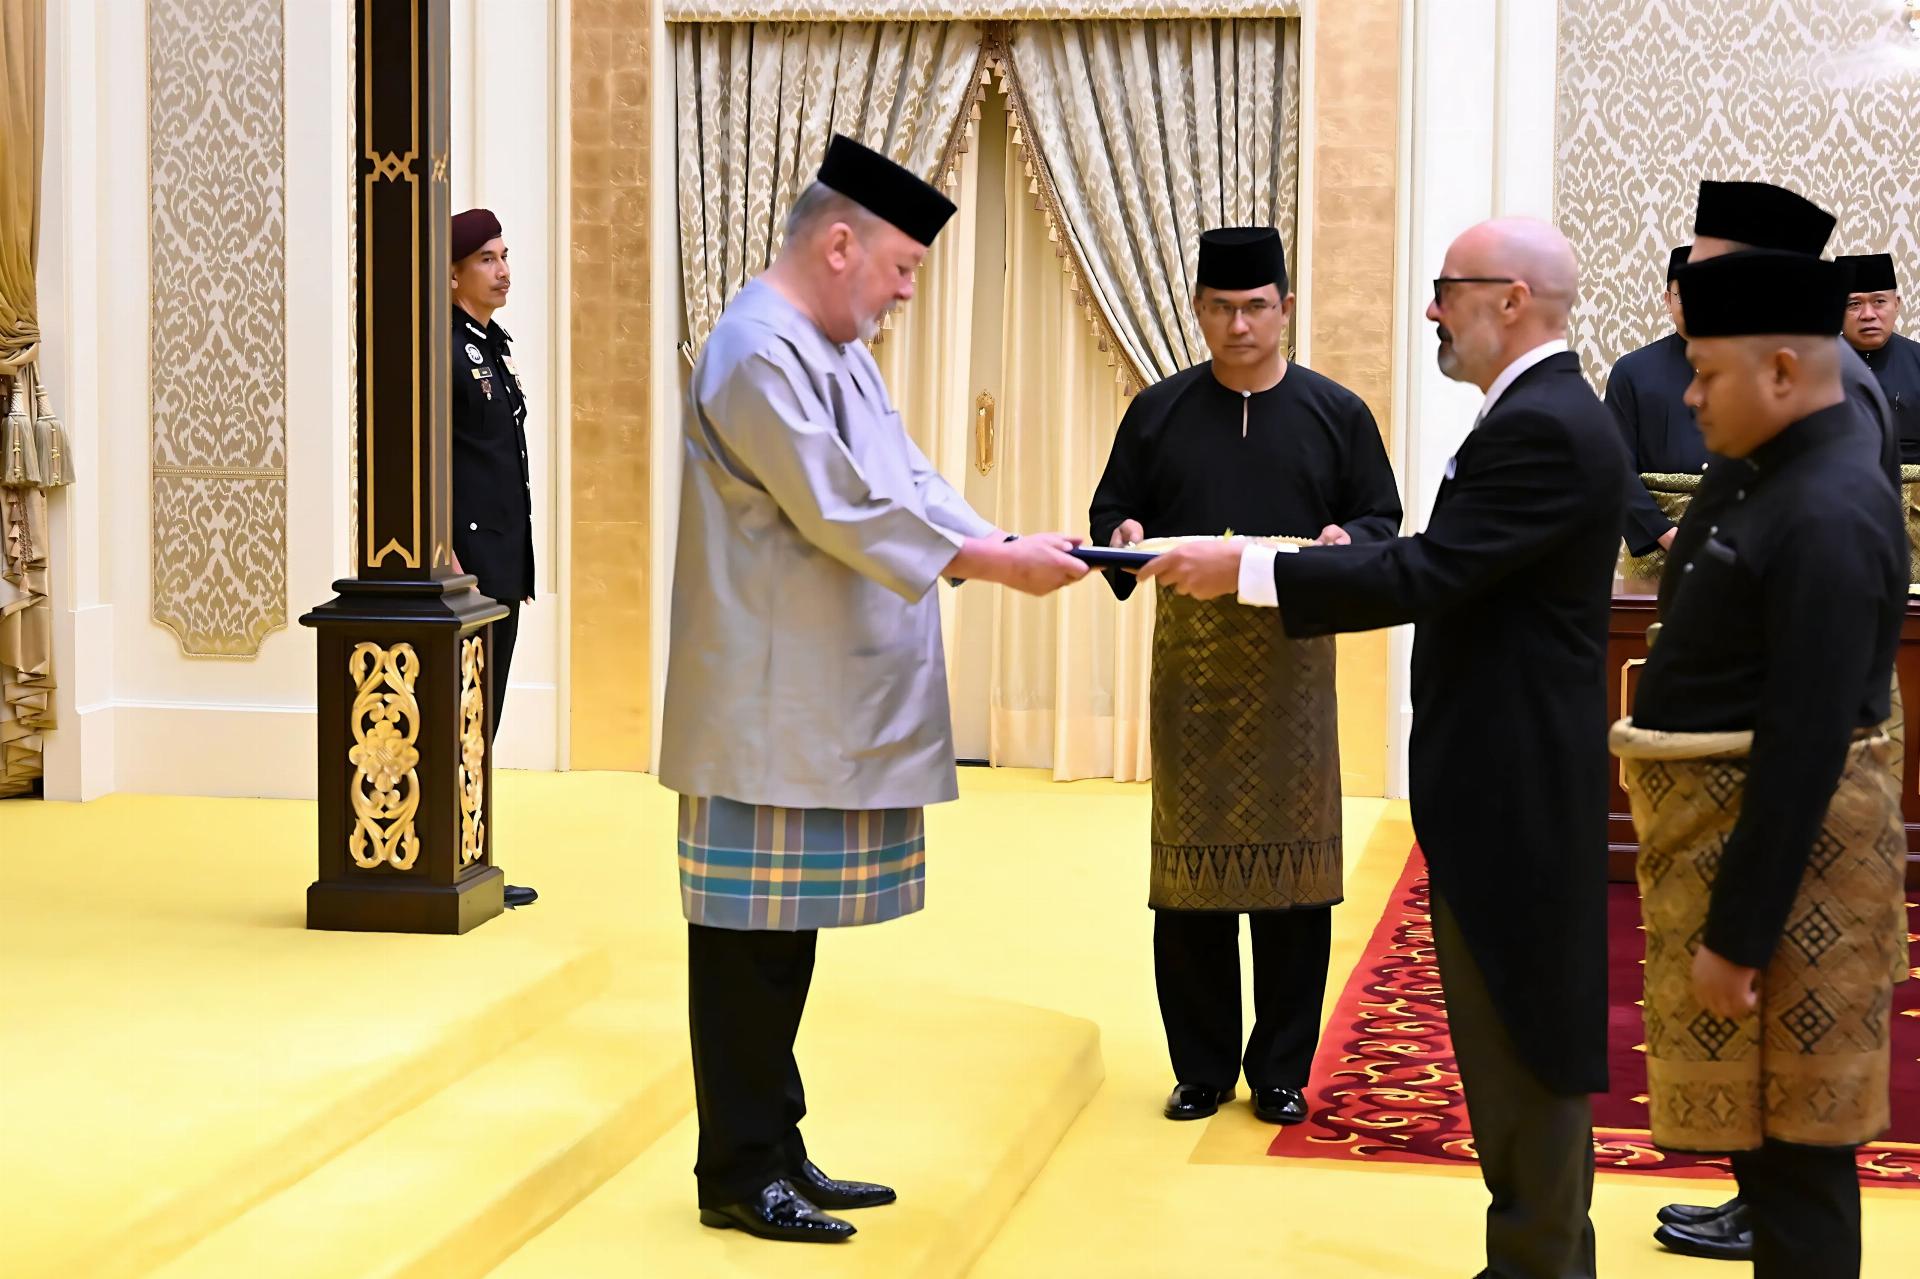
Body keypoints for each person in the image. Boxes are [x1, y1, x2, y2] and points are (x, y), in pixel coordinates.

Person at [1141, 217, 1627, 1279]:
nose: (1430, 311)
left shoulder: (1542, 424)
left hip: (1513, 785)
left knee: (1523, 1048)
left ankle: (1542, 1264)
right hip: (1497, 778)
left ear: (1508, 299)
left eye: (1445, 289)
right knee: (1505, 1050)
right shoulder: (1529, 414)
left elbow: (1423, 570)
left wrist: (1251, 571)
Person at [657, 134, 1089, 1245]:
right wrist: (993, 565)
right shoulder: (758, 350)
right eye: (901, 267)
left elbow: (901, 474)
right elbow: (839, 505)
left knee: (781, 929)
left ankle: (778, 1142)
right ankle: (738, 1169)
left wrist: (994, 534)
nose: (904, 291)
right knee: (744, 937)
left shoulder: (829, 342)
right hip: (765, 697)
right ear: (839, 243)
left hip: (807, 695)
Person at [1613, 248, 1907, 1279]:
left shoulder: (1828, 504)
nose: (1685, 396)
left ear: (1782, 370)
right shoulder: (1784, 466)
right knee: (1779, 1152)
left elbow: (1806, 744)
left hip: (1794, 879)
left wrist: (1737, 937)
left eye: (1705, 372)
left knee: (1803, 1161)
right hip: (1768, 870)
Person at [1088, 226, 1401, 1126]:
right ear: (1197, 310)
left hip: (1293, 665)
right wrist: (1120, 538)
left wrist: (1351, 543)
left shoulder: (1336, 412)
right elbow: (1115, 513)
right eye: (1220, 308)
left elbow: (1379, 517)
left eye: (1256, 307)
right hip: (1189, 667)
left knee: (1295, 879)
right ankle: (1200, 1067)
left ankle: (1280, 1070)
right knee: (1189, 875)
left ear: (1285, 309)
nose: (1238, 325)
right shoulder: (1158, 410)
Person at [450, 208, 537, 911]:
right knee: (465, 716)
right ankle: (453, 859)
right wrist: (445, 550)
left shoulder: (486, 345)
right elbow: (435, 462)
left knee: (487, 714)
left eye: (504, 256)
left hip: (502, 559)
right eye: (487, 258)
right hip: (471, 562)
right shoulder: (445, 351)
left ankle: (474, 857)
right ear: (453, 273)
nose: (503, 270)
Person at [1607, 245, 1705, 556]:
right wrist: (1664, 534)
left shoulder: (1754, 370)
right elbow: (1616, 467)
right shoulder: (1632, 371)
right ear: (1667, 299)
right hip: (1657, 546)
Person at [1836, 252, 1919, 462]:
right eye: (1854, 304)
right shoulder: (1813, 366)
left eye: (1879, 301)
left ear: (1897, 304)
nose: (1868, 314)